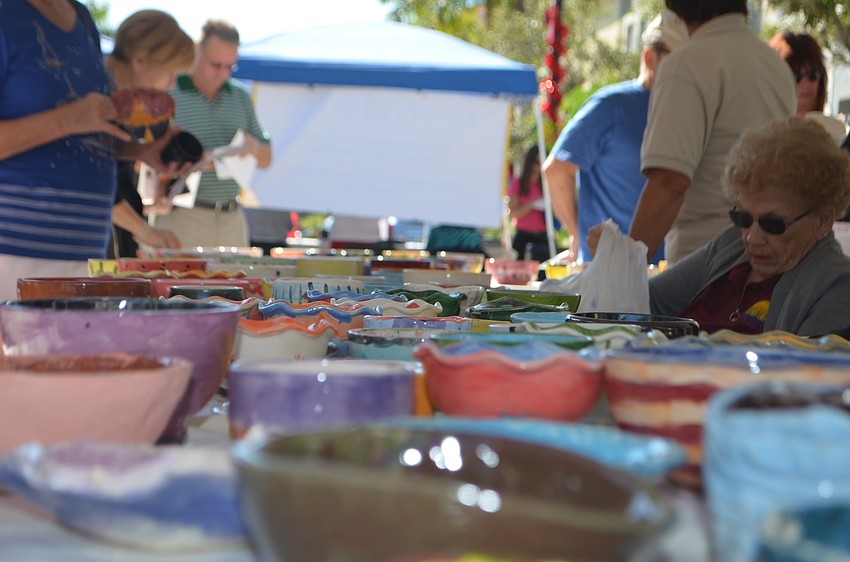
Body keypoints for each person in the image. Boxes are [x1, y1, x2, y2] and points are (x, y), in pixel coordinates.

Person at [0, 0, 179, 300]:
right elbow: (73, 121)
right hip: (13, 256)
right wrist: (70, 119)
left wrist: (139, 152)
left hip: (83, 256)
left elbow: (82, 139)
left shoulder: (81, 18)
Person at [627, 0, 797, 265]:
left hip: (704, 262)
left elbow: (669, 182)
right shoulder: (775, 66)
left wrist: (620, 270)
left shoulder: (687, 63)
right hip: (766, 255)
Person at [648, 117, 850, 336]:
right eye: (742, 218)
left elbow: (801, 368)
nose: (751, 237)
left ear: (822, 221)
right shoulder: (730, 244)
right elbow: (646, 300)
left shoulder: (836, 287)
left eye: (773, 224)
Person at [542, 10, 686, 265]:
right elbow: (556, 170)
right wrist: (580, 236)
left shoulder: (685, 112)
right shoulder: (612, 105)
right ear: (650, 58)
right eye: (678, 60)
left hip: (668, 270)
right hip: (608, 271)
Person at [151, 19, 272, 248]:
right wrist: (194, 162)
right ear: (197, 51)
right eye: (216, 64)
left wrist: (254, 148)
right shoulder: (168, 90)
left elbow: (267, 158)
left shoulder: (241, 97)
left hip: (231, 218)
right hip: (181, 217)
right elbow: (143, 154)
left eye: (230, 66)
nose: (223, 73)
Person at [105, 9, 195, 258]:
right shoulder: (96, 97)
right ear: (140, 59)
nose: (170, 84)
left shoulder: (115, 99)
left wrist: (141, 152)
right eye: (170, 72)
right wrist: (144, 231)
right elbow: (92, 179)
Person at [507, 145, 549, 262]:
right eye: (536, 162)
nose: (539, 166)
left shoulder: (547, 186)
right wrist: (532, 204)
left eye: (543, 162)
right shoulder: (518, 184)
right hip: (523, 237)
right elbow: (513, 213)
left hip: (543, 238)